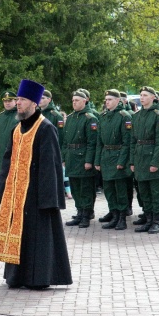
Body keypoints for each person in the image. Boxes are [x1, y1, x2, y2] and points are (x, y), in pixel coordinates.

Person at [0, 79, 72, 290]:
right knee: (19, 236)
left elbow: (51, 166)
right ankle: (16, 276)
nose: (18, 103)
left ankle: (38, 278)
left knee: (38, 238)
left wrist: (48, 200)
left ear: (34, 103)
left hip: (37, 196)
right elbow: (7, 162)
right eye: (17, 99)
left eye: (23, 100)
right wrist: (2, 193)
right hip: (16, 196)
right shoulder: (17, 129)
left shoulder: (46, 128)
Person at [129, 87, 159, 234]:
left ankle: (156, 221)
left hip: (153, 157)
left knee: (155, 192)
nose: (142, 98)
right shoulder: (137, 116)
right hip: (140, 158)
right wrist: (132, 161)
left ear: (153, 98)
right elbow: (133, 141)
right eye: (141, 95)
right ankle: (148, 218)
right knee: (143, 191)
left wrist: (155, 163)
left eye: (145, 95)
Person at [94, 89, 131, 230]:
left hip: (118, 155)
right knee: (108, 189)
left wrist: (122, 161)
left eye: (110, 99)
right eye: (106, 99)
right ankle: (114, 215)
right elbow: (99, 141)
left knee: (120, 189)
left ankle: (122, 218)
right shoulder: (103, 116)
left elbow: (127, 142)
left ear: (118, 100)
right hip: (106, 156)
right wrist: (97, 161)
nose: (107, 102)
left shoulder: (124, 116)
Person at [63, 90, 98, 228]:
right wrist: (64, 157)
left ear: (85, 101)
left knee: (86, 188)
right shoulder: (71, 118)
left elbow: (92, 142)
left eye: (77, 100)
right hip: (72, 158)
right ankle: (79, 212)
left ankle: (86, 214)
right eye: (73, 100)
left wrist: (89, 160)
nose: (74, 102)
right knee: (75, 187)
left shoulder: (90, 118)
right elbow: (65, 140)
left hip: (83, 158)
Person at [0, 91, 18, 188]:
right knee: (2, 179)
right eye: (5, 101)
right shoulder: (0, 117)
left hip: (14, 153)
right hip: (2, 153)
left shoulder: (20, 115)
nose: (7, 103)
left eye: (10, 100)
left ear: (15, 101)